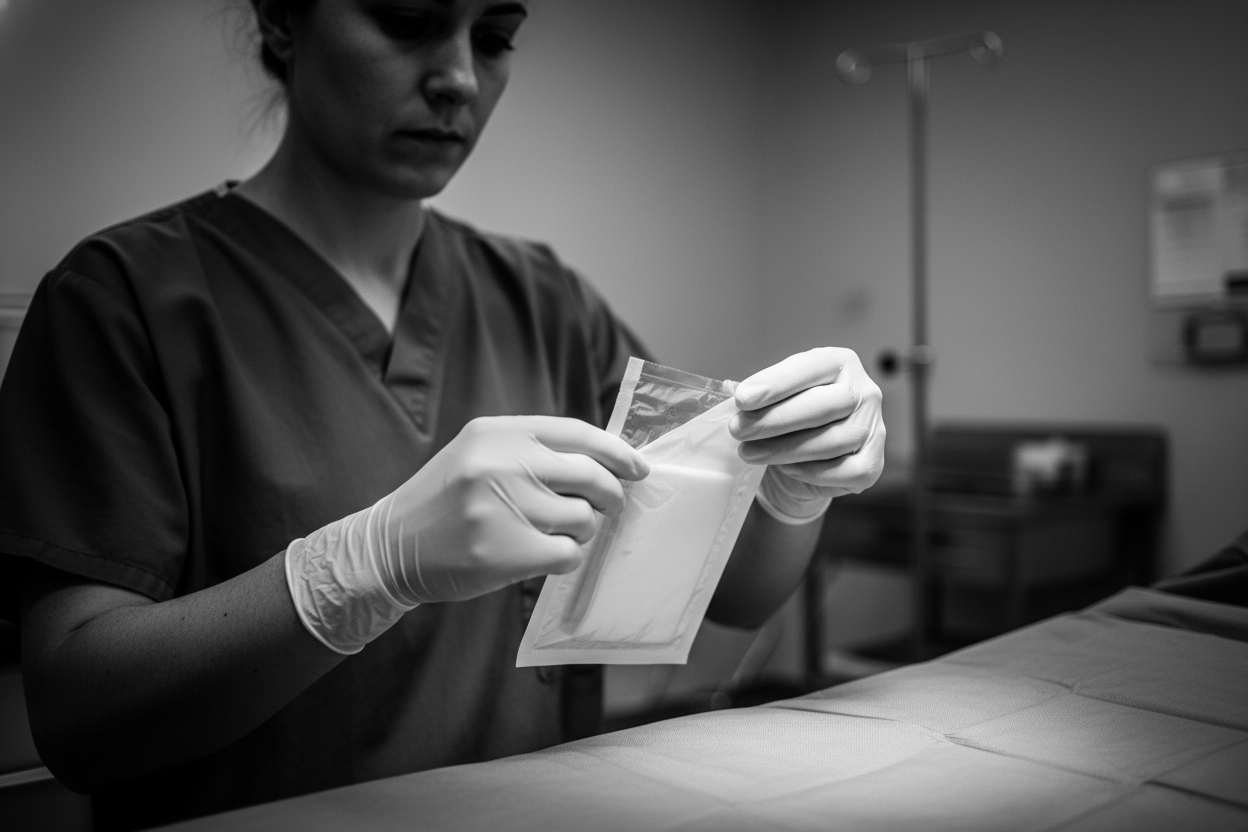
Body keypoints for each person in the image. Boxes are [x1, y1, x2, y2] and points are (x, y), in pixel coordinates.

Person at [0, 0, 885, 829]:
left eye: (495, 35)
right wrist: (359, 569)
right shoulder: (121, 301)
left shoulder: (545, 301)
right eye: (408, 20)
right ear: (281, 23)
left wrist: (792, 489)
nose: (459, 76)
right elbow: (80, 721)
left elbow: (736, 595)